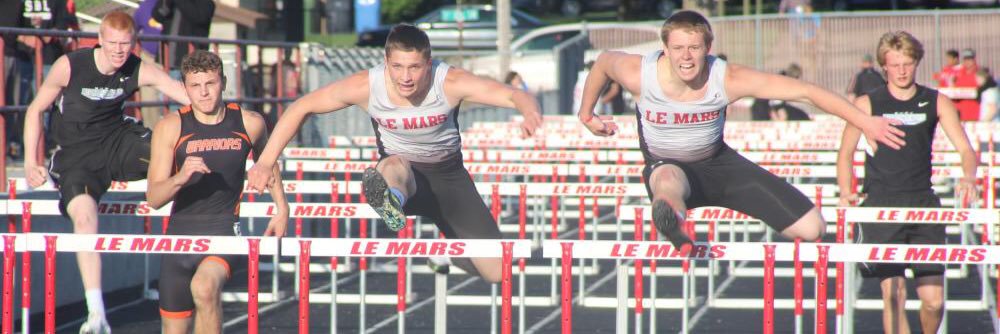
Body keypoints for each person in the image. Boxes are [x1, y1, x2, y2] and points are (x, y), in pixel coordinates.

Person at [576, 10, 905, 250]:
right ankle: (674, 226)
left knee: (811, 228)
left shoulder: (728, 77)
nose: (686, 58)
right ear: (665, 48)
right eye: (678, 48)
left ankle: (674, 216)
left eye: (694, 48)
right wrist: (587, 113)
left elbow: (806, 91)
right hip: (668, 164)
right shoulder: (640, 73)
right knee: (667, 183)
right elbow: (604, 62)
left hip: (720, 165)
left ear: (708, 47)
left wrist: (866, 122)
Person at [245, 24, 542, 283]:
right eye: (397, 67)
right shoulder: (367, 85)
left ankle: (446, 256)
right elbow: (302, 106)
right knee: (394, 164)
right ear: (386, 61)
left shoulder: (450, 82)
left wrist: (529, 113)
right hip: (404, 175)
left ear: (429, 63)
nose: (406, 77)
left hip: (449, 179)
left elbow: (512, 93)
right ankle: (392, 204)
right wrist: (266, 161)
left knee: (498, 271)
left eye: (414, 67)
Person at [22, 11, 190, 333]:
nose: (118, 51)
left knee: (176, 155)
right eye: (112, 43)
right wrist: (32, 161)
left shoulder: (136, 68)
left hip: (118, 144)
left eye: (125, 45)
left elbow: (180, 91)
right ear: (99, 40)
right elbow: (35, 110)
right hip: (76, 158)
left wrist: (222, 115)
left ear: (133, 44)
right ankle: (96, 312)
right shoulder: (71, 66)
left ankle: (209, 233)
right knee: (85, 219)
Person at [836, 31, 977, 334]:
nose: (901, 70)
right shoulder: (866, 103)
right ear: (883, 66)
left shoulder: (936, 101)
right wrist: (846, 192)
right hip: (881, 206)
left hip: (923, 206)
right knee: (894, 296)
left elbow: (966, 149)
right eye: (894, 64)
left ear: (917, 63)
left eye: (908, 63)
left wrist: (968, 176)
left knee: (934, 301)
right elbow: (845, 154)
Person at [146, 50, 288, 334]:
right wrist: (180, 178)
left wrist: (282, 208)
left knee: (204, 287)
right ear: (185, 88)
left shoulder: (250, 123)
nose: (203, 93)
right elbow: (154, 199)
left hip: (223, 230)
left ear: (223, 81)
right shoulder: (170, 127)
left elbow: (268, 163)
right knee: (175, 328)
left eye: (210, 84)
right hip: (179, 241)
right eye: (195, 86)